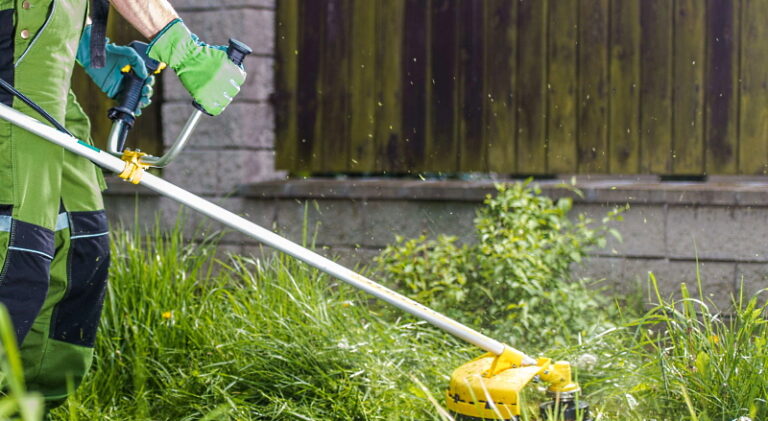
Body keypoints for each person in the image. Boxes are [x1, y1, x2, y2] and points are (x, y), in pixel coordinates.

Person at [0, 0, 246, 408]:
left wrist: (79, 44)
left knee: (79, 244)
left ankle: (25, 408)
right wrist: (181, 47)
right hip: (12, 69)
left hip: (42, 74)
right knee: (17, 253)